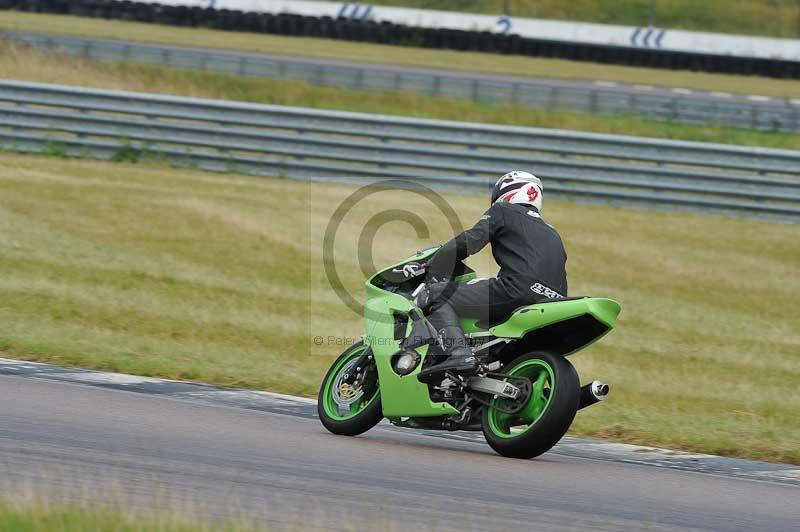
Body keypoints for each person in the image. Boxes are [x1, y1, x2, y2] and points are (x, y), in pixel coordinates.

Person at [415, 171, 568, 384]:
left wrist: (435, 264)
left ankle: (459, 354)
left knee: (435, 294)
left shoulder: (503, 210)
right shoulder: (552, 232)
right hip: (554, 301)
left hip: (518, 289)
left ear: (506, 192)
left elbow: (469, 241)